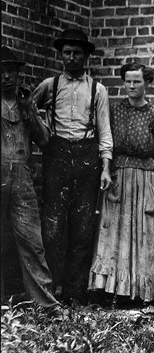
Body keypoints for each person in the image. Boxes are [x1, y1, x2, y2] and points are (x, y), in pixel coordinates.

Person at [33, 28, 112, 305]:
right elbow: (29, 111)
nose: (72, 58)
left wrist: (105, 167)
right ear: (61, 55)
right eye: (67, 53)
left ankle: (74, 294)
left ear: (86, 56)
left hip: (87, 156)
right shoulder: (49, 85)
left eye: (77, 53)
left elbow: (105, 132)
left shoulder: (97, 90)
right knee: (52, 227)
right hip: (57, 156)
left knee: (82, 227)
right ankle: (49, 291)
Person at [89, 63, 154, 303]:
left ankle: (144, 291)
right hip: (119, 176)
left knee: (146, 232)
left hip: (145, 177)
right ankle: (112, 290)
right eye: (128, 81)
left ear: (147, 83)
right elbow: (105, 139)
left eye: (137, 81)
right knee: (116, 229)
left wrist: (145, 170)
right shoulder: (115, 110)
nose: (132, 86)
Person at [1, 46, 65, 318]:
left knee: (32, 241)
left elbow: (45, 140)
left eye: (11, 71)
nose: (6, 77)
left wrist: (30, 109)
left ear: (18, 74)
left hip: (22, 177)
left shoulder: (26, 103)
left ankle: (47, 305)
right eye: (1, 72)